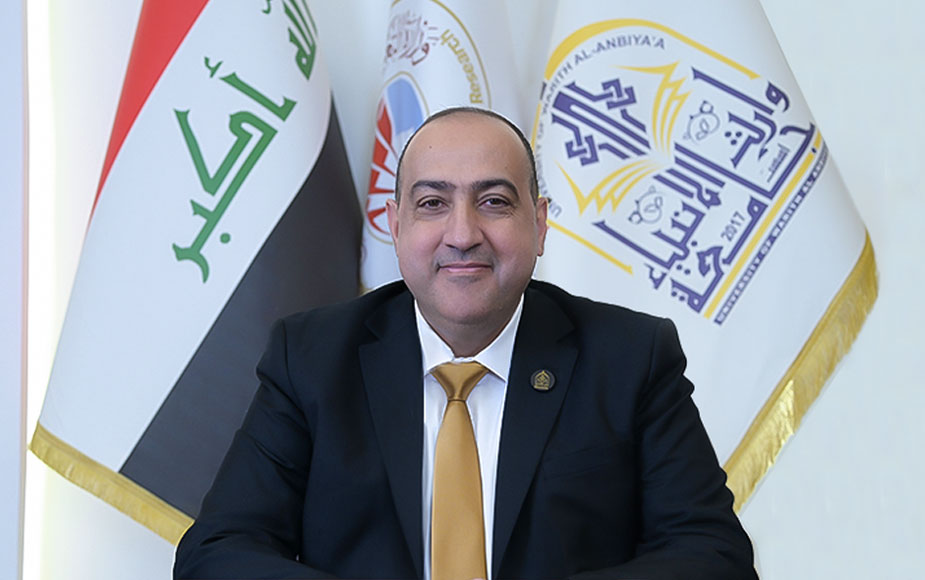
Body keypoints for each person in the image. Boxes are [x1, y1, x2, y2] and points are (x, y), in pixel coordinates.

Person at [174, 107, 758, 579]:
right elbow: (217, 554)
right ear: (396, 225)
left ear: (540, 224)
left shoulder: (630, 357)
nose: (462, 234)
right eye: (432, 203)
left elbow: (714, 556)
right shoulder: (311, 357)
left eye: (494, 202)